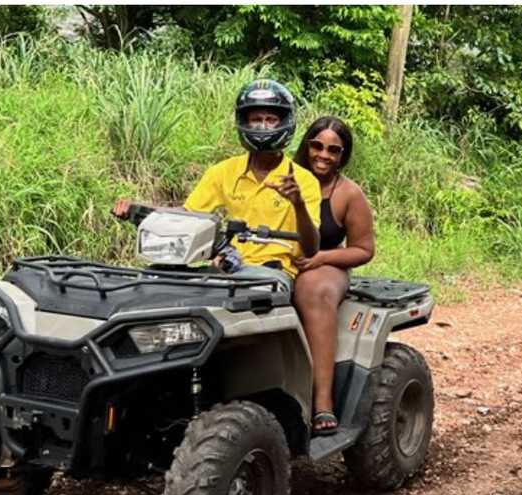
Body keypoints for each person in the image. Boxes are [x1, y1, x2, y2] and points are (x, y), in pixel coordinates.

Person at [113, 79, 321, 291]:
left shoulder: (303, 180)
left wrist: (298, 204)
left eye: (271, 119)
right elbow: (187, 213)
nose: (263, 126)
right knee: (154, 284)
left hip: (272, 274)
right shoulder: (223, 171)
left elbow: (311, 247)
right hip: (229, 265)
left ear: (285, 122)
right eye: (256, 119)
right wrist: (139, 210)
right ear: (244, 122)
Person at [292, 116, 375, 435]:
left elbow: (364, 249)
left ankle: (323, 401)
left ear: (343, 155)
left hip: (326, 265)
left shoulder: (348, 194)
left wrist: (322, 257)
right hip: (275, 260)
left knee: (314, 290)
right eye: (317, 146)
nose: (323, 155)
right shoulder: (286, 177)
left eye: (333, 150)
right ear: (306, 145)